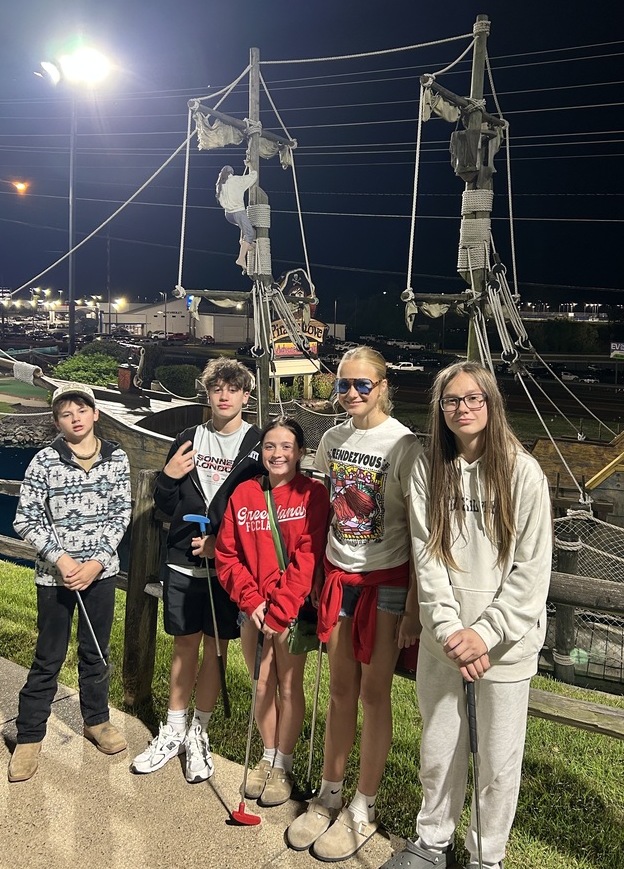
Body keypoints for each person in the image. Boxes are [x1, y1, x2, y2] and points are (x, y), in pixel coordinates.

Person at [380, 361, 552, 869]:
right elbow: (426, 558)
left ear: (491, 403)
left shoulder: (524, 473)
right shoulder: (427, 469)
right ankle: (431, 842)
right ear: (440, 409)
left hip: (505, 647)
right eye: (452, 400)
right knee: (439, 749)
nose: (463, 408)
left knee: (498, 761)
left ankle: (486, 855)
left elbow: (531, 570)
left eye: (474, 398)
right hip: (445, 643)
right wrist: (451, 630)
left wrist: (486, 633)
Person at [286, 346, 423, 861]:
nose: (350, 393)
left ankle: (363, 805)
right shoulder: (332, 439)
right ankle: (329, 792)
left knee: (373, 694)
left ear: (382, 386)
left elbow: (420, 529)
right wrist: (317, 573)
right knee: (340, 690)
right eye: (343, 384)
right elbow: (326, 508)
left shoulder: (404, 445)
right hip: (339, 578)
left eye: (362, 384)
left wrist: (413, 606)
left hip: (385, 583)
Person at [131, 357, 263, 782]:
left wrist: (221, 546)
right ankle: (173, 729)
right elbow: (166, 503)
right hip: (182, 560)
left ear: (246, 396)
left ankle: (198, 733)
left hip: (230, 568)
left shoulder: (257, 446)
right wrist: (168, 477)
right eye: (216, 389)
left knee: (217, 648)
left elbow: (261, 513)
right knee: (184, 645)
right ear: (206, 394)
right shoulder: (189, 438)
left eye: (233, 389)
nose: (224, 396)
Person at [8, 382, 132, 783]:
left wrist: (96, 563)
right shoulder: (45, 461)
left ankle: (96, 720)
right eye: (65, 413)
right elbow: (26, 518)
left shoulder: (117, 458)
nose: (75, 418)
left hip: (101, 575)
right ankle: (30, 736)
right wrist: (60, 560)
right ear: (57, 422)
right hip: (54, 577)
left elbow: (121, 514)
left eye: (81, 410)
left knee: (96, 651)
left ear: (95, 414)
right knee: (48, 657)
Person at [215, 417, 329, 805]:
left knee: (288, 685)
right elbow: (227, 555)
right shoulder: (244, 493)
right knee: (262, 684)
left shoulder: (313, 494)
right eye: (269, 446)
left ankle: (284, 763)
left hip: (290, 610)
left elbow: (308, 556)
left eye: (286, 447)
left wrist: (280, 609)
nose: (277, 454)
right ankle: (267, 756)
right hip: (254, 609)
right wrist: (252, 601)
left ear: (300, 453)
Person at [215, 164, 258, 272]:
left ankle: (243, 242)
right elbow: (253, 176)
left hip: (228, 215)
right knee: (250, 233)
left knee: (244, 226)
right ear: (231, 173)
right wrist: (250, 166)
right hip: (238, 212)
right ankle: (241, 258)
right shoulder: (236, 180)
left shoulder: (220, 185)